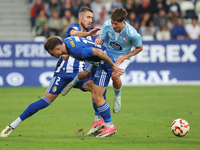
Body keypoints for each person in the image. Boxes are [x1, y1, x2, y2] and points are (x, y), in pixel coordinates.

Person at [62, 7, 143, 114]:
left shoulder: (132, 33)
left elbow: (140, 48)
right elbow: (102, 40)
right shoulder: (107, 25)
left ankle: (118, 96)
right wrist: (99, 41)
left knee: (115, 76)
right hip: (105, 54)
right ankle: (72, 83)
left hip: (121, 58)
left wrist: (125, 56)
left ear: (123, 22)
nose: (113, 25)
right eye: (112, 22)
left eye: (116, 24)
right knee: (86, 74)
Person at [44, 36, 124, 137]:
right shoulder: (68, 41)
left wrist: (113, 65)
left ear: (58, 48)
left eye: (52, 53)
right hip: (96, 63)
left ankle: (110, 125)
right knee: (89, 83)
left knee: (97, 96)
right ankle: (100, 122)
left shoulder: (76, 51)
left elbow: (99, 52)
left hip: (103, 64)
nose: (52, 56)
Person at [0, 54, 92, 138]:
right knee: (45, 101)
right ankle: (12, 125)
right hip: (62, 74)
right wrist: (87, 34)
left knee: (96, 89)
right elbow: (69, 37)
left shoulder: (92, 39)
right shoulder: (73, 38)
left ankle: (99, 123)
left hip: (79, 73)